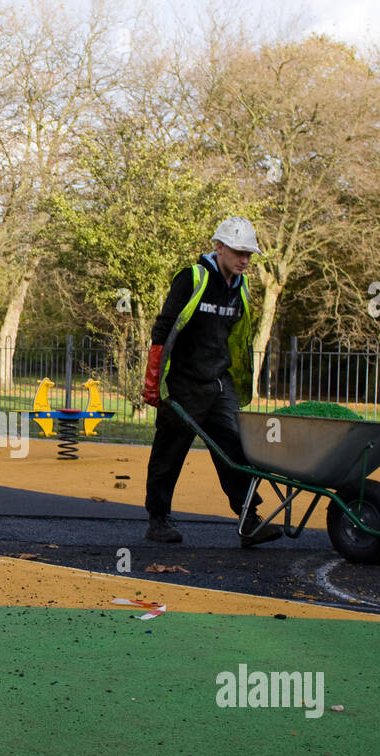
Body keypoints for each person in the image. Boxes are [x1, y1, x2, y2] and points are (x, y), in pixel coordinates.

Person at [141, 216, 282, 547]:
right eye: (238, 252)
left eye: (249, 253)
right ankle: (158, 520)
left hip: (219, 383)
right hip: (184, 384)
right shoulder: (192, 278)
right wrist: (153, 381)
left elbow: (235, 335)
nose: (245, 259)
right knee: (170, 451)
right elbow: (163, 329)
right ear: (219, 247)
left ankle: (249, 520)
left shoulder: (240, 287)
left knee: (235, 448)